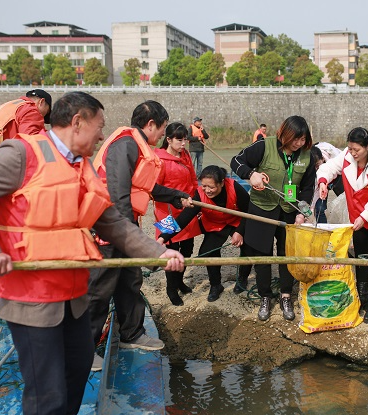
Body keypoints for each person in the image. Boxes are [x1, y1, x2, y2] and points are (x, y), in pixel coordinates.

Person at [0, 91, 185, 415]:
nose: (100, 135)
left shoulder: (80, 168)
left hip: (73, 296)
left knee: (79, 366)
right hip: (31, 300)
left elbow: (111, 222)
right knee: (46, 390)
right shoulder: (22, 155)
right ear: (77, 121)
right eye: (99, 126)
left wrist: (158, 251)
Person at [88, 101, 192, 368]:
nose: (162, 134)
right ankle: (84, 350)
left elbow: (146, 187)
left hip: (124, 223)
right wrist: (129, 235)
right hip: (107, 225)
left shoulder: (139, 145)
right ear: (150, 125)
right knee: (100, 288)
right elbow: (118, 193)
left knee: (130, 280)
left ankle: (131, 334)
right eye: (163, 128)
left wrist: (176, 196)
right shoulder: (126, 145)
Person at [231, 115, 316, 321]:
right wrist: (251, 174)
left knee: (287, 255)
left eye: (303, 139)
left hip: (288, 211)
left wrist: (301, 212)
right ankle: (265, 296)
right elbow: (236, 161)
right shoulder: (264, 146)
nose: (299, 143)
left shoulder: (307, 156)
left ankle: (286, 294)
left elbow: (307, 187)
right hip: (262, 209)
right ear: (284, 133)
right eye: (296, 138)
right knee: (263, 255)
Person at [0, 89, 52, 300]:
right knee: (11, 228)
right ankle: (12, 284)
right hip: (0, 176)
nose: (43, 120)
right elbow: (33, 144)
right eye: (46, 114)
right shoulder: (30, 111)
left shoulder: (3, 108)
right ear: (41, 102)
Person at [317, 127, 368, 319]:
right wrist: (323, 181)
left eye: (357, 150)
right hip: (355, 221)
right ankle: (362, 294)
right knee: (360, 258)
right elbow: (328, 168)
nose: (353, 153)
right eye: (350, 149)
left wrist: (365, 217)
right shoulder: (347, 156)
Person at [159, 165, 253, 302]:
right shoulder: (199, 194)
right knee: (207, 251)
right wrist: (162, 237)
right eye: (204, 186)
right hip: (214, 224)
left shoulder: (234, 187)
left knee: (248, 246)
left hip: (236, 221)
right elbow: (182, 219)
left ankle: (242, 279)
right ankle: (216, 285)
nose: (207, 190)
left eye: (211, 187)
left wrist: (239, 232)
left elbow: (248, 211)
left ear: (221, 183)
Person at [153, 122, 199, 306]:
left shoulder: (185, 155)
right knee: (171, 251)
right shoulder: (160, 160)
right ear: (169, 139)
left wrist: (195, 198)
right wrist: (176, 197)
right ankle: (171, 289)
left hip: (188, 209)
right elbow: (154, 189)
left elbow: (194, 179)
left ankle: (180, 281)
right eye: (179, 140)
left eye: (185, 140)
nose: (183, 144)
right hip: (167, 212)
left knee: (187, 249)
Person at [310, 142, 344, 223]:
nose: (316, 168)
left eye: (318, 165)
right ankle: (323, 230)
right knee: (319, 208)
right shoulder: (312, 168)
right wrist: (311, 208)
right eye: (314, 167)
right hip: (321, 181)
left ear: (322, 158)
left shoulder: (335, 155)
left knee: (346, 202)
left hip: (339, 175)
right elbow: (314, 190)